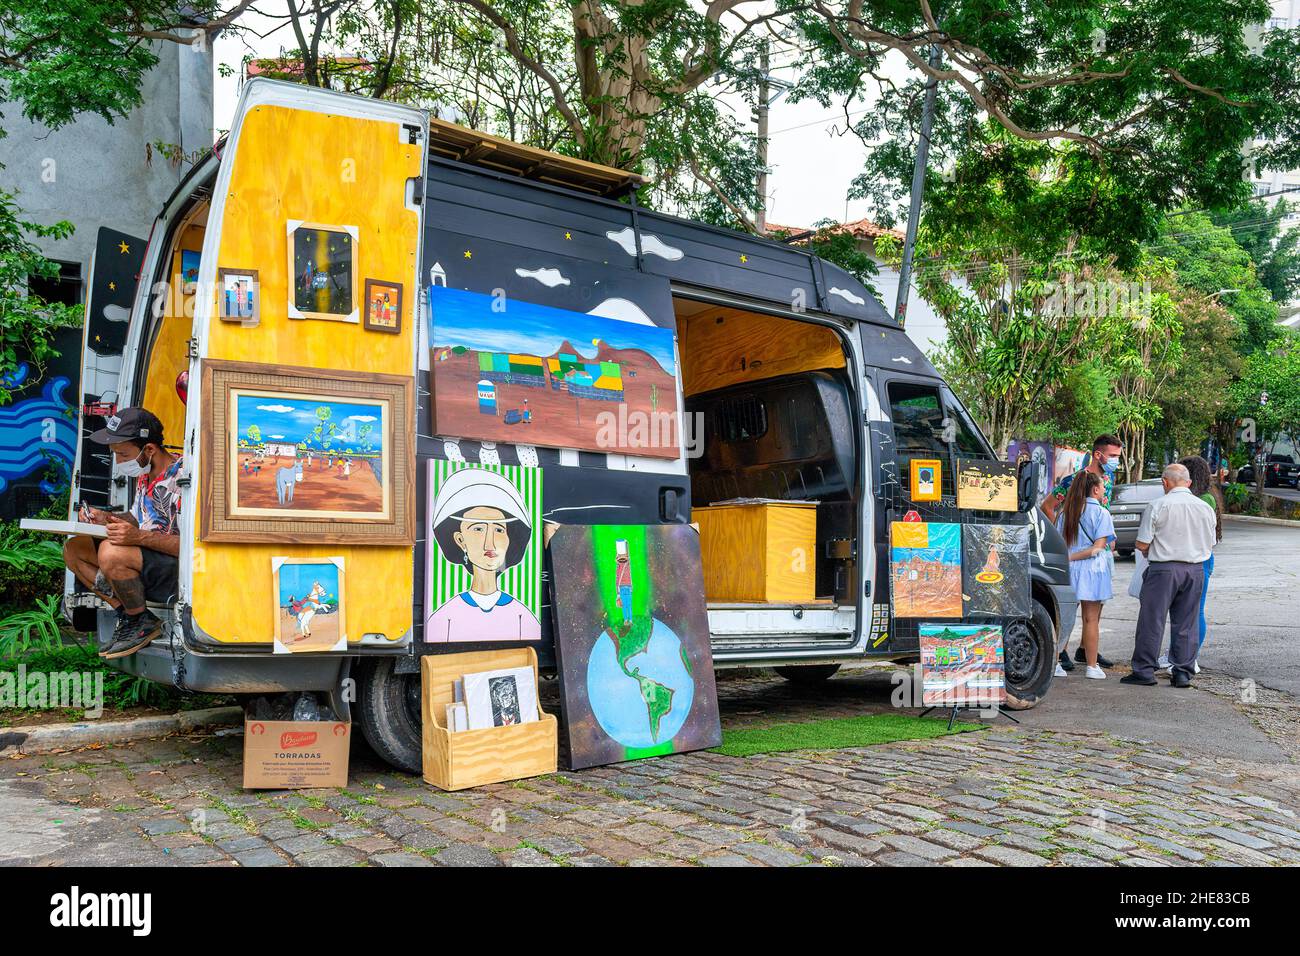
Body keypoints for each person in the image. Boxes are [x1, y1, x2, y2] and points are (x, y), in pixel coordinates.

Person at [62, 408, 182, 659]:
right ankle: (128, 616)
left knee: (111, 552)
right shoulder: (145, 474)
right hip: (147, 560)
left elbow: (191, 546)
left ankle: (140, 620)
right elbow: (140, 520)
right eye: (115, 454)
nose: (118, 462)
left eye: (123, 454)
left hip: (176, 571)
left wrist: (136, 538)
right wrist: (106, 518)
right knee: (75, 549)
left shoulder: (184, 477)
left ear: (149, 449)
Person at [1122, 463, 1217, 689]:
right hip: (1195, 570)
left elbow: (1142, 543)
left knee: (1152, 620)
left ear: (1165, 482)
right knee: (1187, 622)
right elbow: (1211, 543)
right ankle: (1183, 672)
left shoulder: (1158, 505)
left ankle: (1144, 670)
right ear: (1189, 483)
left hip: (1163, 570)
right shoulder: (1204, 508)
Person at [425, 467, 542, 642]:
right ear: (460, 540)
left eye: (499, 530)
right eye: (478, 529)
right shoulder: (446, 616)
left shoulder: (522, 616)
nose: (490, 543)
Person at [1041, 434, 1124, 671]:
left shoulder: (1107, 480)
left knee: (1095, 605)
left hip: (1101, 553)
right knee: (1072, 604)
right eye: (1113, 456)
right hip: (1081, 553)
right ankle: (1062, 652)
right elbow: (1047, 506)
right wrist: (1060, 539)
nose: (1116, 461)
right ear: (1098, 455)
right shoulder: (1073, 481)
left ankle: (1087, 651)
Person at [1154, 455, 1222, 674]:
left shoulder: (1204, 500)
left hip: (1198, 559)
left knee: (1193, 612)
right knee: (1183, 612)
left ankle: (1189, 657)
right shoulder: (1200, 497)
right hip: (1193, 558)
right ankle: (1180, 655)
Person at [1054, 471, 1116, 680]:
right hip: (1092, 570)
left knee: (1064, 619)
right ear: (1096, 489)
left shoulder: (1066, 512)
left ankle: (1055, 663)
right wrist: (1075, 557)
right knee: (1091, 619)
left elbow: (1060, 543)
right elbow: (1098, 548)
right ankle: (1091, 666)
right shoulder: (1101, 514)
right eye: (1102, 487)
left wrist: (1069, 558)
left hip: (1069, 570)